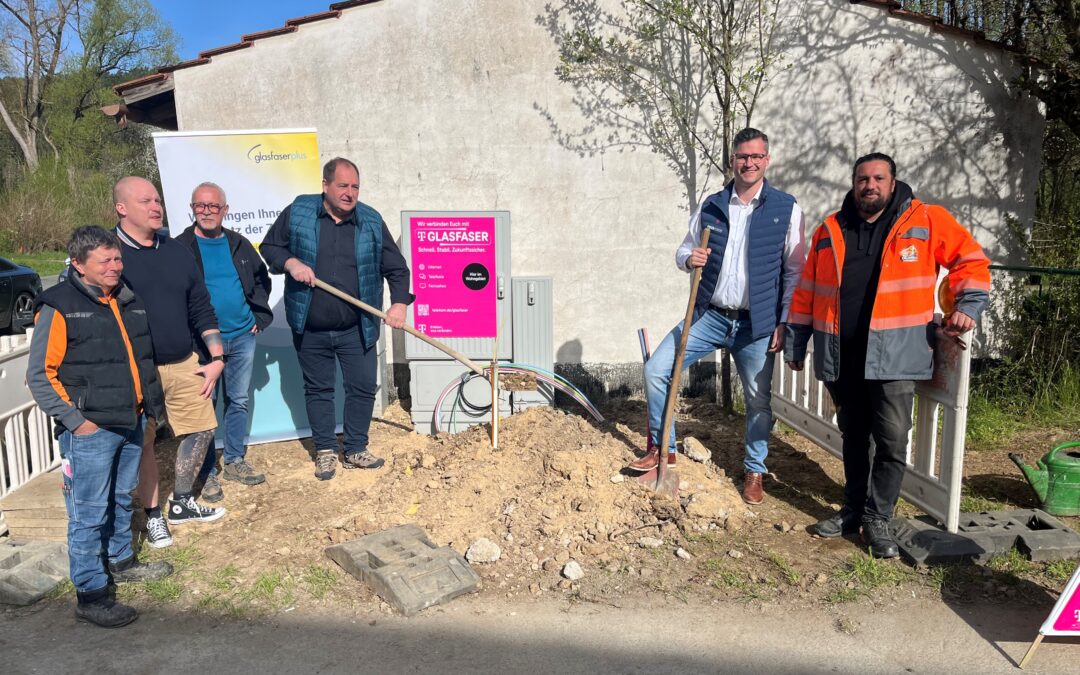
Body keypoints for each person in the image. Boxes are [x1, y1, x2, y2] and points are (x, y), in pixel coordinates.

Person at [785, 152, 990, 558]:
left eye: (878, 178)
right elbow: (807, 290)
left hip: (896, 355)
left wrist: (967, 306)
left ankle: (878, 518)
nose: (870, 186)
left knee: (893, 441)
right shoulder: (830, 228)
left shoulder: (926, 221)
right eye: (863, 179)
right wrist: (796, 341)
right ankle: (853, 510)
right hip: (842, 356)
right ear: (853, 182)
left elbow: (970, 259)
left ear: (892, 182)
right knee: (854, 437)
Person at [629, 128, 805, 505]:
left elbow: (794, 270)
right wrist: (687, 259)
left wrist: (784, 320)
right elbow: (683, 249)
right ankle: (665, 450)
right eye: (743, 156)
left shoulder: (786, 208)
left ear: (766, 160)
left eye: (757, 156)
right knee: (657, 369)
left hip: (756, 323)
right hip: (708, 314)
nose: (749, 163)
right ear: (733, 160)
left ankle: (755, 469)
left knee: (758, 400)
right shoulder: (712, 205)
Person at [27, 226, 173, 627]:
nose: (115, 266)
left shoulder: (126, 298)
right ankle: (91, 594)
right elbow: (40, 375)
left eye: (117, 258)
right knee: (88, 512)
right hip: (91, 430)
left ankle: (121, 561)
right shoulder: (58, 305)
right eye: (105, 261)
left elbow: (140, 360)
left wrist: (149, 411)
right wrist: (77, 422)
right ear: (78, 264)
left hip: (131, 420)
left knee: (121, 497)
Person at [261, 157, 412, 480]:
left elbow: (396, 268)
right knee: (319, 390)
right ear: (325, 186)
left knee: (361, 387)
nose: (349, 193)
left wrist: (399, 304)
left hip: (357, 327)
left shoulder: (370, 220)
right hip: (311, 327)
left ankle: (356, 448)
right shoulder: (299, 212)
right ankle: (326, 451)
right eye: (342, 185)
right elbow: (271, 247)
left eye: (355, 186)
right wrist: (290, 263)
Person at [112, 176, 227, 548]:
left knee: (202, 427)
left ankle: (181, 502)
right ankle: (152, 515)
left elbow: (200, 306)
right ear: (122, 208)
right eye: (146, 200)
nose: (156, 206)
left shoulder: (177, 250)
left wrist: (216, 357)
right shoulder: (109, 254)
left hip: (183, 361)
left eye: (158, 199)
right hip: (136, 368)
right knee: (143, 442)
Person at [176, 182, 272, 501]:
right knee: (205, 408)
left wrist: (258, 319)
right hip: (201, 345)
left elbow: (262, 279)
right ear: (192, 209)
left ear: (225, 210)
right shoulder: (180, 248)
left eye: (213, 206)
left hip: (242, 336)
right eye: (201, 206)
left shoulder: (238, 244)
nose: (207, 212)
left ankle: (234, 460)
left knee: (238, 400)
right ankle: (207, 473)